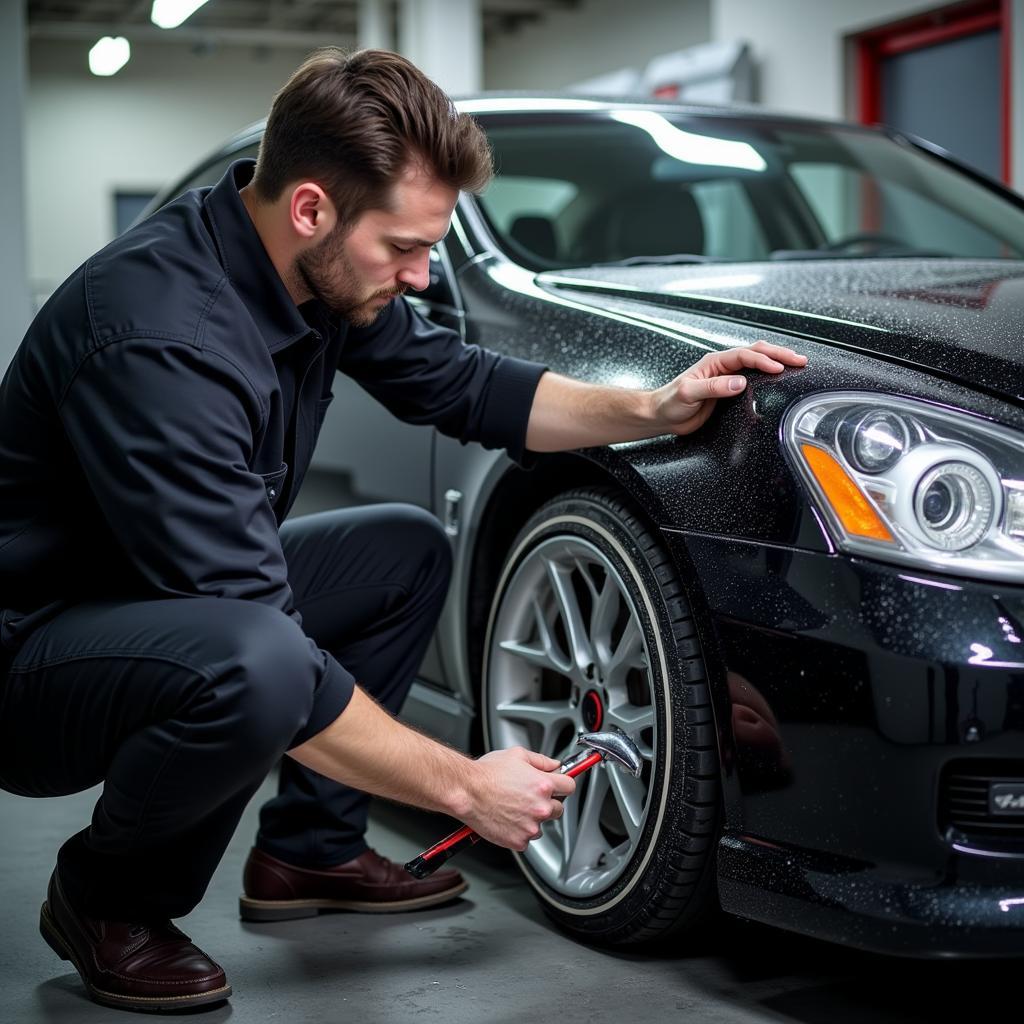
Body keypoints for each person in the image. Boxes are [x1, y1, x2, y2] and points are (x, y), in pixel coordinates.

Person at [0, 48, 806, 1013]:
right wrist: (466, 788)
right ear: (311, 208)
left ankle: (310, 853)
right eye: (405, 248)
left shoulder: (313, 268)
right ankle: (105, 901)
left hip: (143, 596)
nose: (422, 276)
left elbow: (470, 388)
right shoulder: (159, 335)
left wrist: (657, 407)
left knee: (402, 550)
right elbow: (260, 633)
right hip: (34, 662)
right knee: (255, 659)